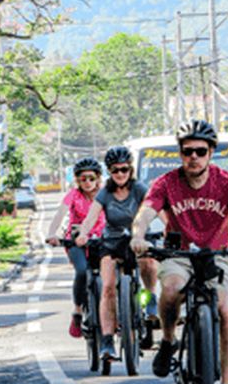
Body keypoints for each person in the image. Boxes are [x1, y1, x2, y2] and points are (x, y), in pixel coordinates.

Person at [130, 119, 228, 384]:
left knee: (225, 310)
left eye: (200, 151)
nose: (193, 157)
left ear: (211, 152)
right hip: (178, 254)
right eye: (186, 151)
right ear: (180, 153)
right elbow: (145, 212)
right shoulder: (166, 182)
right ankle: (168, 339)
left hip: (217, 255)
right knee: (170, 288)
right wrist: (138, 235)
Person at [77, 146, 158, 361]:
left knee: (149, 262)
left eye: (124, 169)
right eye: (115, 170)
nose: (120, 174)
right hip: (112, 242)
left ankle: (150, 298)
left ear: (130, 169)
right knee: (108, 288)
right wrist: (83, 234)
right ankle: (106, 341)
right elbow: (91, 216)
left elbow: (157, 208)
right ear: (109, 172)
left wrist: (172, 229)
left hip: (137, 239)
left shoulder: (140, 189)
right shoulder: (105, 192)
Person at [46, 157, 106, 338]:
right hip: (76, 241)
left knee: (110, 275)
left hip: (101, 240)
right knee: (81, 271)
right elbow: (60, 214)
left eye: (91, 178)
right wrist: (52, 233)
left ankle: (114, 313)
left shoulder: (105, 194)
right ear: (77, 180)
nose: (87, 183)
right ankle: (78, 312)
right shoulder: (73, 195)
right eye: (83, 179)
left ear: (98, 178)